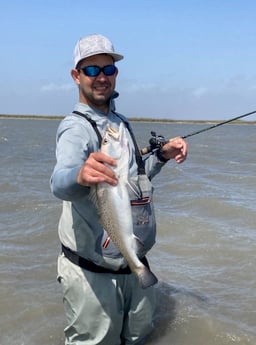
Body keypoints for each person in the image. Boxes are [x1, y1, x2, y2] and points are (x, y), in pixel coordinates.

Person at [50, 33, 188, 345]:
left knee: (139, 339)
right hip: (93, 275)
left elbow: (135, 177)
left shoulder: (119, 123)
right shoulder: (76, 127)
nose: (101, 78)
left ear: (116, 74)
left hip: (134, 265)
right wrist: (79, 175)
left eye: (108, 69)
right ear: (76, 76)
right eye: (92, 70)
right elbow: (58, 183)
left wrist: (162, 156)